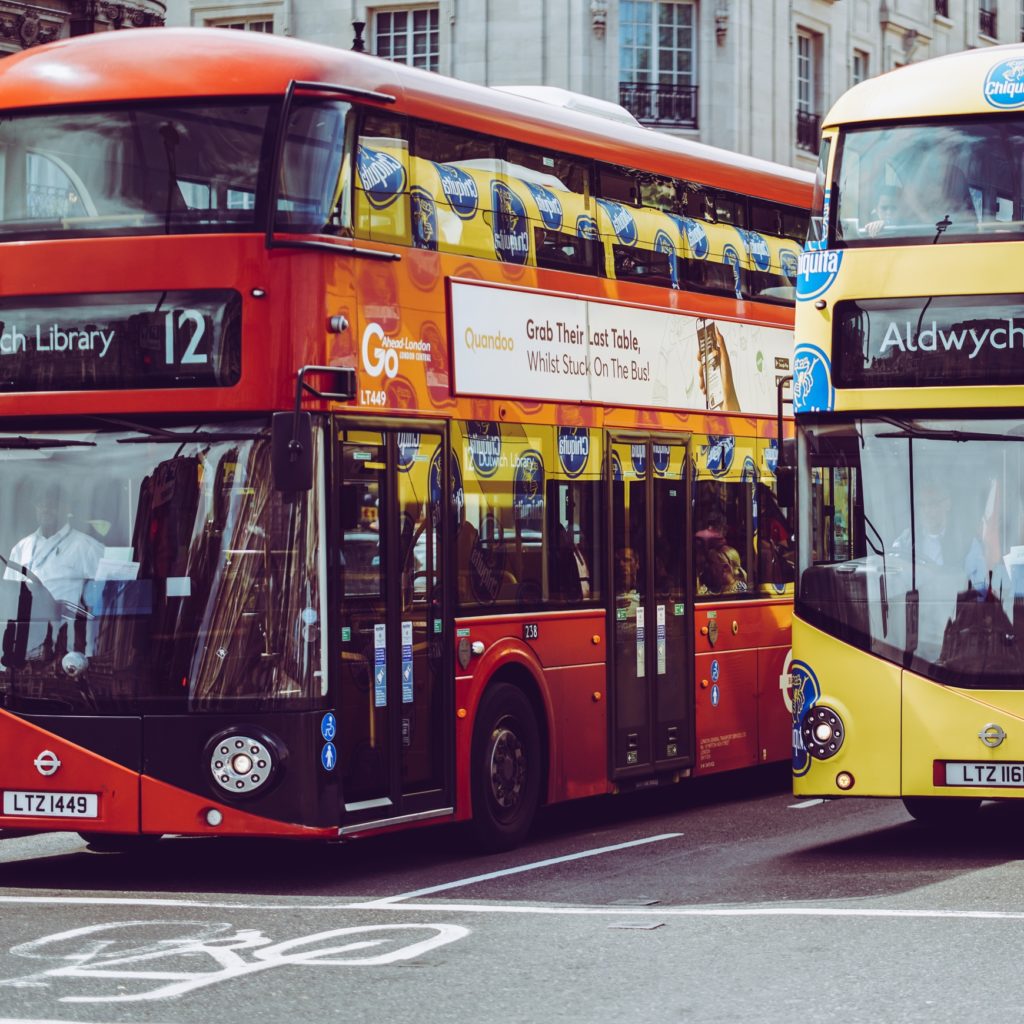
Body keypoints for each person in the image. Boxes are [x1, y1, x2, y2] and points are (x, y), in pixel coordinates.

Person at [4, 487, 103, 606]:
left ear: (67, 508)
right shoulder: (21, 548)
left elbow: (104, 594)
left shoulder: (87, 547)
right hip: (27, 621)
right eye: (41, 505)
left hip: (68, 622)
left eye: (52, 505)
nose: (45, 509)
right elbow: (9, 594)